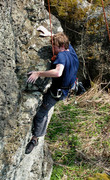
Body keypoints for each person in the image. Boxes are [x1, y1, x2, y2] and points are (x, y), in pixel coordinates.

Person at [25, 26, 79, 154]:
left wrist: (38, 73)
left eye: (54, 46)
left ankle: (35, 138)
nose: (52, 49)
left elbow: (58, 72)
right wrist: (51, 35)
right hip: (68, 88)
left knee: (40, 114)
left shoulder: (61, 56)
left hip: (57, 93)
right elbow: (65, 41)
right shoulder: (70, 50)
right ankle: (36, 137)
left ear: (60, 47)